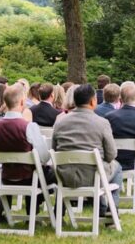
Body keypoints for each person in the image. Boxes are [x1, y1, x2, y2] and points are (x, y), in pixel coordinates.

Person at [52, 82, 122, 214]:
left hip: (64, 176)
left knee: (98, 167)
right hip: (93, 177)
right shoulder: (102, 123)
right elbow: (111, 155)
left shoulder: (60, 122)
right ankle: (112, 210)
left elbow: (54, 150)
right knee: (117, 167)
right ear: (93, 101)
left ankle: (59, 213)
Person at [0, 84, 55, 205]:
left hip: (5, 177)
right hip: (30, 178)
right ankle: (38, 208)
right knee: (53, 173)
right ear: (21, 102)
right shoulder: (29, 127)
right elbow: (44, 157)